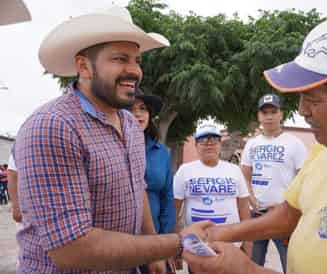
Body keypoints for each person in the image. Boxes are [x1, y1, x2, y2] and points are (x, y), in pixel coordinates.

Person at [184, 15, 327, 274]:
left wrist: (247, 270)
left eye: (312, 99)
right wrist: (217, 233)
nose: (303, 110)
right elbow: (289, 215)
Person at [13, 6, 211, 273]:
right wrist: (175, 244)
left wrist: (151, 251)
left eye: (137, 60)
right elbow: (73, 249)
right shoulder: (53, 127)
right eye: (120, 59)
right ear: (84, 66)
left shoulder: (129, 123)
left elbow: (137, 190)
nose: (134, 71)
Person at [241, 93, 307, 273]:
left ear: (281, 114)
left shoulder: (295, 144)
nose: (269, 116)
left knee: (291, 265)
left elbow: (304, 179)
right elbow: (245, 176)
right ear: (259, 116)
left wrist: (288, 204)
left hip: (284, 215)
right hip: (257, 215)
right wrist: (251, 198)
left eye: (273, 111)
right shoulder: (251, 144)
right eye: (264, 113)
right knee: (253, 265)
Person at [174, 125, 252, 273]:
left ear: (220, 144)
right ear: (196, 145)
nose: (209, 144)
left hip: (231, 246)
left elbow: (244, 209)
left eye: (214, 140)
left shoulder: (234, 170)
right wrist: (177, 247)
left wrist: (248, 244)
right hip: (198, 247)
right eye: (204, 141)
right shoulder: (185, 171)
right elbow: (175, 210)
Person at [128, 88, 176, 274]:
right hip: (119, 242)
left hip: (154, 239)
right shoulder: (108, 148)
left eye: (143, 108)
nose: (138, 114)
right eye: (131, 109)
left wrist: (166, 241)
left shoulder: (161, 152)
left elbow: (168, 198)